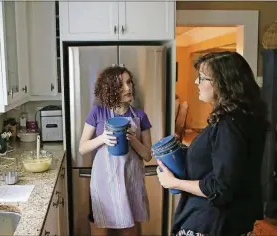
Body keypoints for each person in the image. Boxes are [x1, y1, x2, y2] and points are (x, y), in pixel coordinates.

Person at [157, 51, 268, 236]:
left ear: (222, 83)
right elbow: (225, 164)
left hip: (213, 224)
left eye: (201, 78)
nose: (196, 83)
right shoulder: (243, 120)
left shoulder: (229, 125)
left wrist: (174, 182)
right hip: (229, 222)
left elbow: (220, 188)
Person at [79, 65, 152, 236]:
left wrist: (133, 140)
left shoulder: (140, 116)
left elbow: (148, 155)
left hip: (130, 183)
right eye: (121, 85)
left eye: (129, 82)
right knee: (100, 228)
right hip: (104, 184)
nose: (128, 88)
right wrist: (102, 138)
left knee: (130, 229)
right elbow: (82, 148)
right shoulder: (97, 113)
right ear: (110, 89)